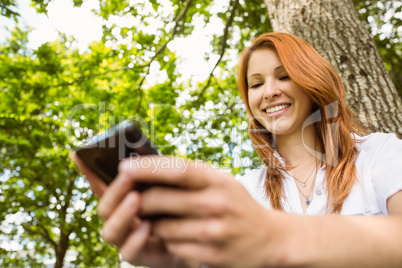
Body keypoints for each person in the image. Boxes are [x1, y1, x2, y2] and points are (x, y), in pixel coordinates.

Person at [71, 32, 402, 267]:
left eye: (284, 77)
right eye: (256, 84)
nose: (269, 91)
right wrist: (180, 260)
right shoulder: (245, 191)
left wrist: (275, 237)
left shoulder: (379, 153)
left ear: (312, 81)